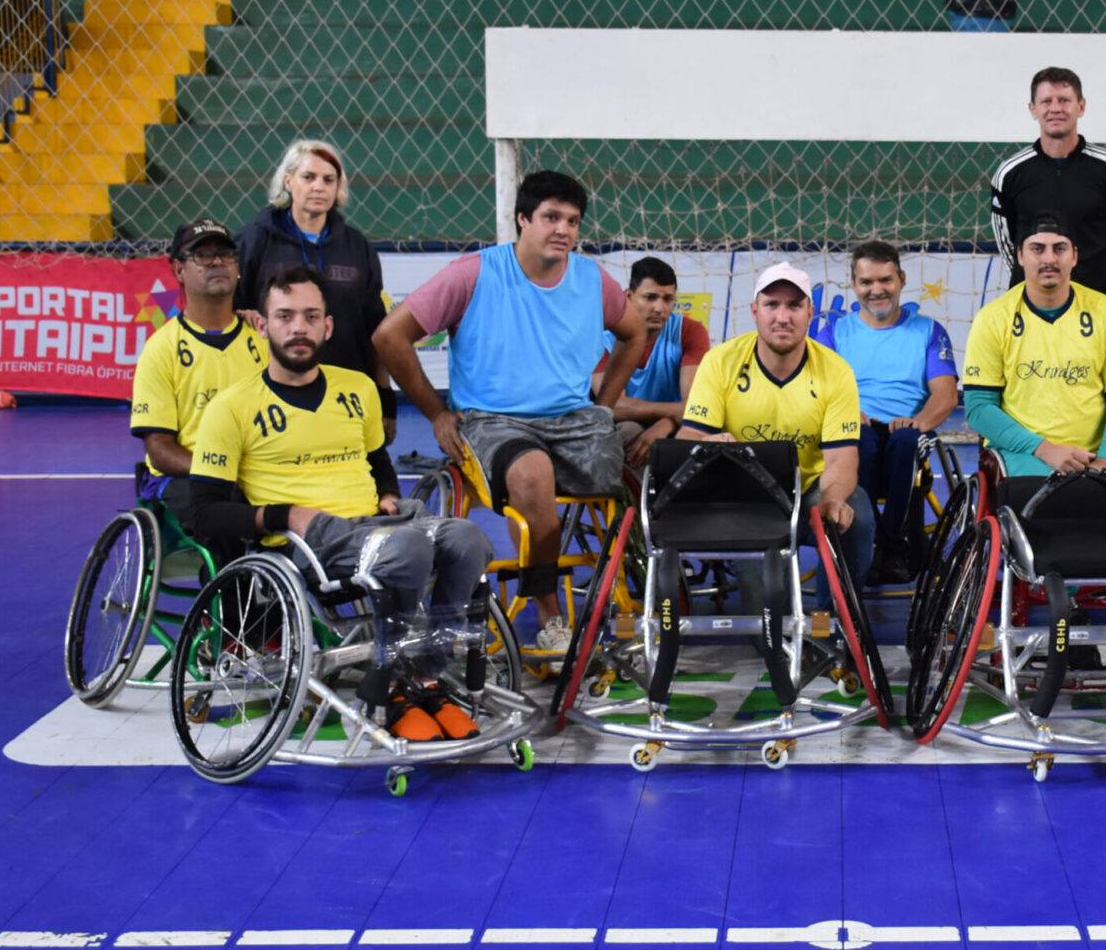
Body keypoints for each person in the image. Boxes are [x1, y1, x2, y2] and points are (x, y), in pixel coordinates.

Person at [190, 266, 495, 742]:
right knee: (410, 549)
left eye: (311, 316)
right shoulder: (229, 407)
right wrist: (283, 515)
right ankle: (391, 684)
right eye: (285, 316)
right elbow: (203, 512)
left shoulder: (356, 389)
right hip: (308, 542)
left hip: (374, 525)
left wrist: (390, 495)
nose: (298, 328)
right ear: (263, 325)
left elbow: (377, 462)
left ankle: (426, 674)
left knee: (468, 537)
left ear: (327, 326)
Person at [373, 170, 650, 653]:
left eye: (572, 220)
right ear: (522, 219)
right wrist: (437, 413)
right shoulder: (473, 273)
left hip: (571, 420)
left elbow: (634, 334)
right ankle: (550, 613)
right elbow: (388, 337)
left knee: (646, 458)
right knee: (533, 472)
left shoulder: (592, 279)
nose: (562, 229)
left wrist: (604, 406)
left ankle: (642, 589)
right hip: (492, 423)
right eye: (550, 217)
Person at [679, 260, 871, 599]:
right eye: (772, 305)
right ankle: (773, 631)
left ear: (810, 313)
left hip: (810, 486)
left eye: (795, 305)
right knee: (767, 621)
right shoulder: (720, 361)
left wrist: (833, 499)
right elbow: (689, 438)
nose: (783, 317)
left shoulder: (836, 371)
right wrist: (710, 443)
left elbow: (841, 458)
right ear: (755, 311)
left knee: (856, 517)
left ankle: (838, 625)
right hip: (747, 494)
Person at [810, 240, 959, 585]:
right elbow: (815, 392)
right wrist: (846, 411)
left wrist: (918, 421)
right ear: (854, 286)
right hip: (856, 427)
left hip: (905, 430)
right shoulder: (833, 334)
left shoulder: (928, 331)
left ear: (901, 280)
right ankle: (862, 539)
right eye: (866, 282)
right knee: (857, 438)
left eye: (885, 280)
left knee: (906, 442)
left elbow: (946, 394)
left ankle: (894, 546)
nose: (876, 290)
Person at [235, 139, 397, 443]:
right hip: (272, 401)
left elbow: (374, 329)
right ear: (288, 182)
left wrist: (385, 399)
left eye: (328, 179)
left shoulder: (357, 246)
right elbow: (234, 314)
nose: (319, 187)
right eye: (308, 177)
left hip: (345, 397)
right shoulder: (254, 240)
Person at [962, 216, 1106, 478]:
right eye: (1037, 249)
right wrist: (1043, 448)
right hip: (1020, 455)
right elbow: (978, 407)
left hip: (1089, 457)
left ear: (1074, 256)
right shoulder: (992, 318)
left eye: (1059, 248)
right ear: (1020, 256)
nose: (1049, 258)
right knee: (1053, 504)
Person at [129, 218, 269, 527]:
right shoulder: (161, 349)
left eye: (226, 254)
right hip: (190, 477)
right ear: (179, 270)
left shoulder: (263, 340)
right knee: (227, 509)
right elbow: (160, 449)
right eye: (203, 255)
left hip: (258, 471)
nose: (217, 261)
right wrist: (219, 468)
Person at [988, 66, 1106, 300]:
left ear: (1081, 107)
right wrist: (1040, 280)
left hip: (1095, 306)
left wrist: (1095, 277)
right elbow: (1009, 246)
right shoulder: (1009, 173)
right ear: (1033, 109)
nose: (1055, 109)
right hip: (1032, 308)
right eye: (1046, 101)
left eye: (1064, 100)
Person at [607, 256, 710, 467]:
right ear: (628, 296)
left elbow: (692, 406)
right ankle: (638, 500)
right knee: (628, 431)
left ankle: (669, 499)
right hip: (623, 424)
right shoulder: (602, 335)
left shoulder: (689, 331)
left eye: (667, 299)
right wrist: (673, 413)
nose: (659, 308)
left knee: (697, 435)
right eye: (650, 297)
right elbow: (612, 405)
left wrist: (666, 423)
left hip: (674, 427)